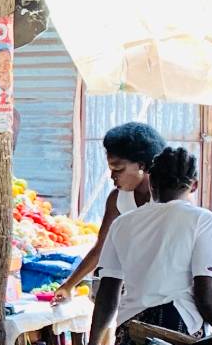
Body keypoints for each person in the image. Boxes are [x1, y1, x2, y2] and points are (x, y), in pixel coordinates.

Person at [89, 146, 212, 345]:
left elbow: (108, 292)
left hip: (130, 328)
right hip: (177, 326)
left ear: (152, 182)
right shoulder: (204, 220)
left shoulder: (122, 224)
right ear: (194, 185)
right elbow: (208, 295)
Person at [58, 121, 166, 293]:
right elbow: (102, 247)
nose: (112, 176)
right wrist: (68, 286)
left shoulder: (170, 199)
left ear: (142, 166)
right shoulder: (118, 199)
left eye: (118, 169)